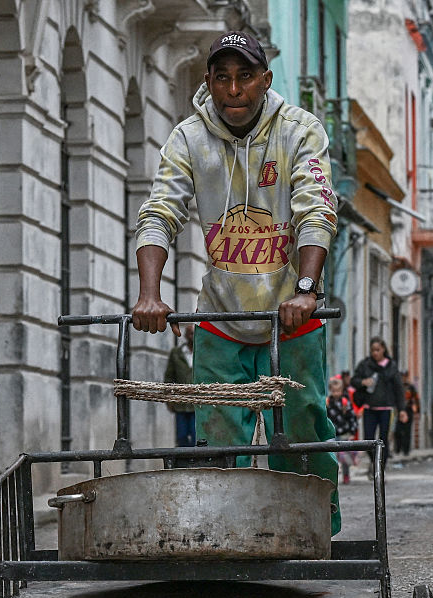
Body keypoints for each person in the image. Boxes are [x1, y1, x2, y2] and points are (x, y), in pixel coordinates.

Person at [131, 30, 342, 534]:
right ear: (209, 81)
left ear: (264, 80)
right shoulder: (188, 138)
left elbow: (317, 208)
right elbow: (160, 211)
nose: (233, 89)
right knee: (219, 436)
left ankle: (312, 531)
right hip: (222, 316)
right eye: (222, 77)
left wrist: (307, 290)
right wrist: (149, 294)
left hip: (289, 315)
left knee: (303, 424)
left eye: (245, 76)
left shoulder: (299, 130)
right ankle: (222, 535)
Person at [350, 338, 407, 472]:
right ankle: (373, 461)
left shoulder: (391, 366)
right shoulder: (365, 365)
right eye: (373, 350)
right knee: (368, 439)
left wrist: (402, 409)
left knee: (383, 440)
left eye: (378, 350)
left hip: (387, 409)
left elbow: (399, 389)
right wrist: (363, 382)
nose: (375, 353)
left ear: (383, 350)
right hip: (369, 407)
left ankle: (380, 468)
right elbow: (354, 381)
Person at [163, 324, 197, 447]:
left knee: (196, 436)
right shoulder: (176, 353)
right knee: (181, 436)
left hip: (198, 404)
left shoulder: (203, 354)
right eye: (190, 333)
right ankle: (183, 462)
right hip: (180, 403)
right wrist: (168, 399)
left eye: (194, 333)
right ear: (186, 335)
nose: (192, 336)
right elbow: (169, 377)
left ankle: (196, 463)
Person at [326, 376, 356, 483]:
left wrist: (352, 431)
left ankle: (346, 476)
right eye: (334, 391)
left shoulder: (345, 402)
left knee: (344, 457)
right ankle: (332, 477)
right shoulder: (328, 402)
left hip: (344, 432)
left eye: (338, 391)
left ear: (342, 390)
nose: (336, 393)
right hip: (332, 434)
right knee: (332, 456)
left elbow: (352, 417)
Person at [395, 370, 420, 457]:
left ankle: (406, 450)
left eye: (405, 377)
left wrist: (417, 410)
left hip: (408, 410)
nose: (403, 379)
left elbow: (416, 398)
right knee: (398, 431)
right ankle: (397, 449)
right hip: (399, 411)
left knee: (407, 431)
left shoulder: (411, 387)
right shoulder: (397, 387)